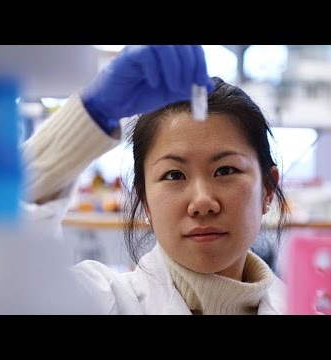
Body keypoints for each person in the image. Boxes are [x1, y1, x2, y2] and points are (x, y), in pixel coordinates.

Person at [21, 45, 289, 315]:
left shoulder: (304, 307)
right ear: (144, 199)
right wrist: (91, 114)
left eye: (225, 170)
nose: (202, 201)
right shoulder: (101, 303)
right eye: (174, 175)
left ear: (267, 188)